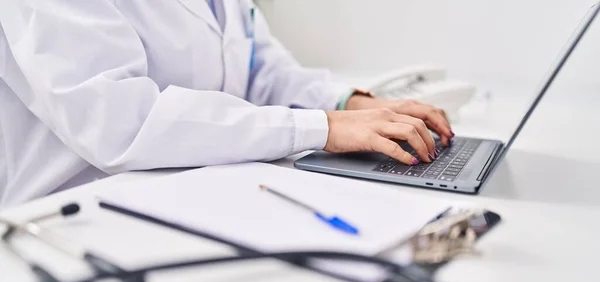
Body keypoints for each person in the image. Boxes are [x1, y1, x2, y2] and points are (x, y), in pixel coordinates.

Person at [0, 0, 454, 207]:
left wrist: (349, 104)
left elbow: (261, 70)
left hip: (190, 197)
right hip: (67, 218)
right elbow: (118, 121)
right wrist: (323, 127)